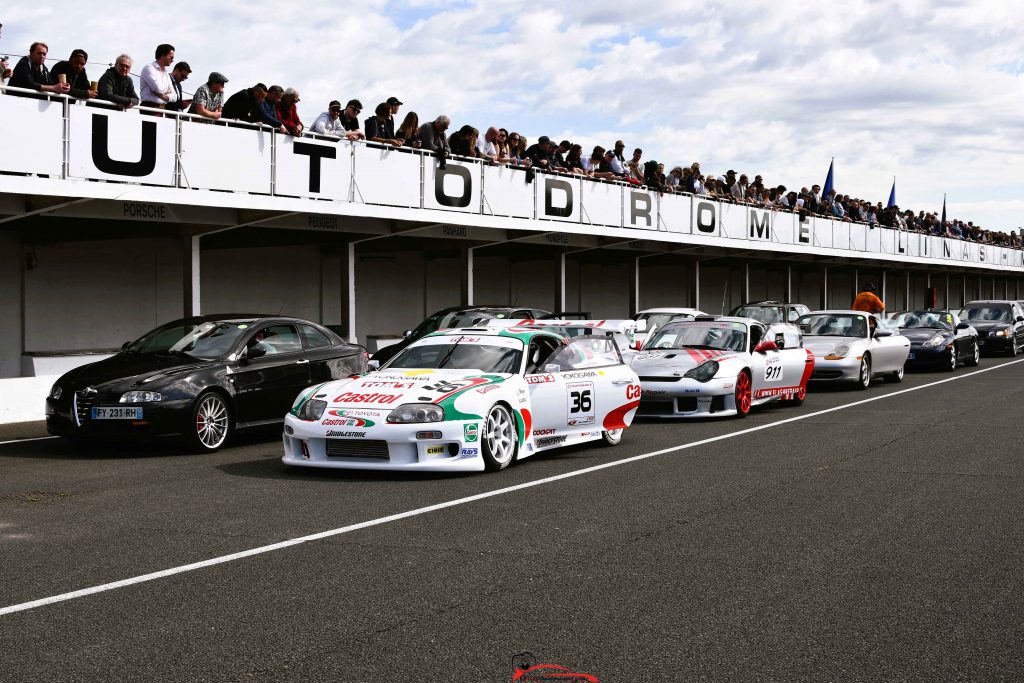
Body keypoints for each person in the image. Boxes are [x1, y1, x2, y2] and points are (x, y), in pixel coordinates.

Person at [140, 44, 177, 110]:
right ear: (163, 55)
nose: (172, 60)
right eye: (171, 57)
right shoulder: (149, 68)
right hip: (149, 108)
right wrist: (167, 92)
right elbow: (157, 89)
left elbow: (175, 96)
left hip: (162, 108)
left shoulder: (166, 73)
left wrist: (161, 95)